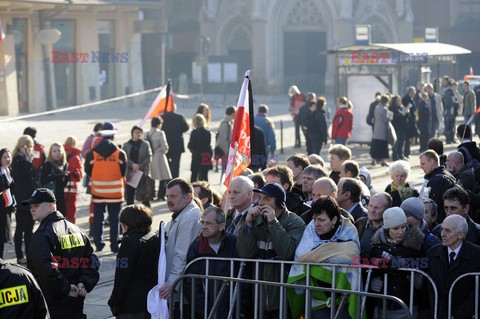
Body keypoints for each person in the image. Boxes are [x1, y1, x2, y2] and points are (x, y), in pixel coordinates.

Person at [24, 188, 100, 319]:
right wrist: (84, 283)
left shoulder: (43, 234)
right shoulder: (78, 230)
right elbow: (91, 261)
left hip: (54, 302)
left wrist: (66, 289)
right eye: (31, 206)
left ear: (51, 206)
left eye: (36, 205)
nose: (32, 209)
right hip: (76, 299)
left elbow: (45, 268)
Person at [236, 183, 305, 318]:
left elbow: (287, 253)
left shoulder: (295, 222)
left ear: (279, 201)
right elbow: (244, 254)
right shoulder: (255, 220)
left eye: (267, 198)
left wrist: (273, 223)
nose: (261, 202)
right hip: (258, 297)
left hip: (284, 298)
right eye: (260, 198)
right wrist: (248, 224)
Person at [288, 196, 360, 319]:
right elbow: (300, 257)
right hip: (316, 303)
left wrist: (316, 256)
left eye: (321, 220)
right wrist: (335, 251)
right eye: (315, 219)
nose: (317, 224)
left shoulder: (348, 229)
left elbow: (350, 255)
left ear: (334, 220)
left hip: (343, 303)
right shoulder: (310, 229)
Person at [185, 206, 240, 319]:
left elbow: (241, 278)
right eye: (203, 222)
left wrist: (240, 309)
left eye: (209, 223)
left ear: (221, 226)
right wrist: (205, 310)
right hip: (206, 312)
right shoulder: (196, 247)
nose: (204, 227)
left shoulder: (234, 243)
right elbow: (191, 284)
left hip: (232, 309)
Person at [369, 207, 424, 318]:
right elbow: (366, 262)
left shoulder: (415, 244)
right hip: (382, 303)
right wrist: (373, 279)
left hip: (407, 302)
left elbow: (423, 263)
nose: (401, 231)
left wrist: (403, 263)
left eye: (403, 227)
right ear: (387, 229)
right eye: (395, 228)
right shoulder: (376, 245)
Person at [108, 204, 160, 318]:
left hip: (131, 303)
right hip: (150, 299)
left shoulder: (129, 241)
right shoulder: (153, 237)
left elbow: (122, 276)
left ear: (126, 223)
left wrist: (114, 301)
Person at [85, 121, 127, 253]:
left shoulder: (92, 153)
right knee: (115, 220)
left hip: (98, 191)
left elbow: (88, 170)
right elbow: (123, 172)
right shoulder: (120, 153)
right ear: (113, 135)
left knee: (98, 219)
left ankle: (99, 244)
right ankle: (114, 245)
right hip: (115, 192)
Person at [427, 214, 480, 319]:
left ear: (460, 234)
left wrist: (458, 314)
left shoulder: (477, 254)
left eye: (447, 231)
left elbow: (476, 291)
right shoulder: (432, 253)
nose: (442, 234)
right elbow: (430, 288)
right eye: (442, 229)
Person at [161, 178, 202, 312]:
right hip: (177, 287)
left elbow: (182, 254)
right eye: (167, 196)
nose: (169, 200)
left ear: (188, 197)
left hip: (182, 289)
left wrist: (172, 283)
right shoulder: (180, 214)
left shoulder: (190, 218)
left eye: (173, 196)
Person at [11, 135, 36, 264]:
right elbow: (20, 177)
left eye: (31, 146)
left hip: (30, 198)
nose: (30, 149)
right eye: (27, 146)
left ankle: (29, 253)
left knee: (29, 228)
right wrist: (27, 162)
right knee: (20, 228)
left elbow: (33, 177)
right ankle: (19, 255)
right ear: (21, 147)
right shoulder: (16, 160)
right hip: (21, 199)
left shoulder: (28, 159)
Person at [419, 150, 456, 223]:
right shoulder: (445, 175)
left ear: (432, 162)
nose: (421, 167)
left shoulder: (436, 180)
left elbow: (434, 206)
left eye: (423, 164)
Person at [355, 192, 392, 258]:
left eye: (377, 208)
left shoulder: (393, 229)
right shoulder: (360, 223)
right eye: (370, 205)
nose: (372, 210)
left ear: (387, 210)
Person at [123, 125, 152, 207]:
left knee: (145, 196)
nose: (138, 134)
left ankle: (147, 214)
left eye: (140, 132)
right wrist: (132, 164)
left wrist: (140, 166)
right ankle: (129, 215)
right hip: (130, 172)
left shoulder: (145, 144)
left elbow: (149, 157)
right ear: (132, 133)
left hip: (142, 172)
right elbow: (124, 157)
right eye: (136, 132)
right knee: (130, 196)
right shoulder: (126, 145)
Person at [147, 116, 172, 201]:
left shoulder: (147, 133)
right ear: (159, 124)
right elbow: (165, 147)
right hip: (159, 155)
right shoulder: (160, 133)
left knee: (152, 176)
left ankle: (152, 194)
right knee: (163, 176)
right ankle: (161, 195)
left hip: (151, 156)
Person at [162, 104, 190, 178]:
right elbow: (186, 128)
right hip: (177, 146)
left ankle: (166, 181)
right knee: (176, 166)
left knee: (166, 165)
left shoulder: (162, 117)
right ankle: (175, 181)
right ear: (174, 109)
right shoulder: (179, 117)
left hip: (165, 145)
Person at [41, 142, 69, 217]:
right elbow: (43, 179)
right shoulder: (48, 164)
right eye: (54, 151)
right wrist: (59, 175)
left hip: (60, 197)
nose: (57, 153)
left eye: (59, 151)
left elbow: (63, 183)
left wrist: (66, 176)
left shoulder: (63, 165)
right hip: (51, 197)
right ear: (50, 153)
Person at [63, 137, 83, 224]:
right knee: (71, 212)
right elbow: (79, 177)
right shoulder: (75, 157)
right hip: (71, 190)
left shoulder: (60, 153)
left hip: (61, 188)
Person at [188, 114, 212, 182]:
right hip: (206, 155)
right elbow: (208, 144)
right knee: (205, 176)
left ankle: (192, 190)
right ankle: (206, 191)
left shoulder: (194, 133)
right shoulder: (208, 133)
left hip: (197, 155)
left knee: (194, 175)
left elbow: (191, 145)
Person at [0, 149, 15, 259]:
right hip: (1, 209)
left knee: (3, 236)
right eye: (4, 157)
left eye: (9, 157)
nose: (7, 159)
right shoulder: (1, 172)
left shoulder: (9, 171)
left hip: (7, 209)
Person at [370, 95, 393, 167]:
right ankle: (383, 161)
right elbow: (386, 119)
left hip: (376, 129)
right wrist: (390, 116)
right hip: (382, 130)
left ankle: (373, 160)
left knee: (376, 145)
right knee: (383, 146)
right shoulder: (384, 109)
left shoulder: (377, 107)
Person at [216, 105, 236, 173]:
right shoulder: (225, 124)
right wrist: (227, 152)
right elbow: (223, 140)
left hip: (228, 151)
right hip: (225, 152)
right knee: (225, 171)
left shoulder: (229, 123)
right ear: (232, 113)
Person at [390, 95, 410, 161]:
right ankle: (395, 156)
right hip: (396, 127)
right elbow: (393, 118)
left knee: (402, 142)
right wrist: (401, 115)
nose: (399, 102)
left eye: (400, 100)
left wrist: (407, 113)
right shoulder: (392, 108)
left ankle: (401, 155)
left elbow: (406, 116)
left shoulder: (402, 107)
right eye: (398, 100)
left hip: (403, 127)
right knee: (396, 142)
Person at [402, 86, 417, 158]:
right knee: (406, 138)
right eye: (414, 93)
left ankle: (407, 152)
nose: (415, 94)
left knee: (409, 138)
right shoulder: (405, 99)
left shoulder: (411, 99)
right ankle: (405, 153)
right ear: (410, 92)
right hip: (407, 121)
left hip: (411, 121)